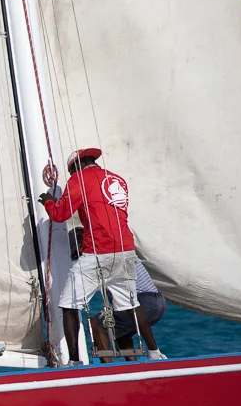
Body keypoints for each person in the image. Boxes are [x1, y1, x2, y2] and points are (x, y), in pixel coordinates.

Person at [38, 148, 165, 363]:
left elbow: (61, 214)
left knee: (69, 305)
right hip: (125, 250)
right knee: (131, 304)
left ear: (75, 167)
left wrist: (49, 202)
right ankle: (155, 353)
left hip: (98, 251)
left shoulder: (79, 179)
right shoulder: (118, 180)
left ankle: (75, 361)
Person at [66, 229, 169, 362]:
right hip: (158, 302)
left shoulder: (99, 257)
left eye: (78, 255)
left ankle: (108, 369)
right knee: (118, 328)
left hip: (143, 302)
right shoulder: (115, 249)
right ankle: (133, 364)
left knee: (95, 324)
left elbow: (85, 289)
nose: (79, 258)